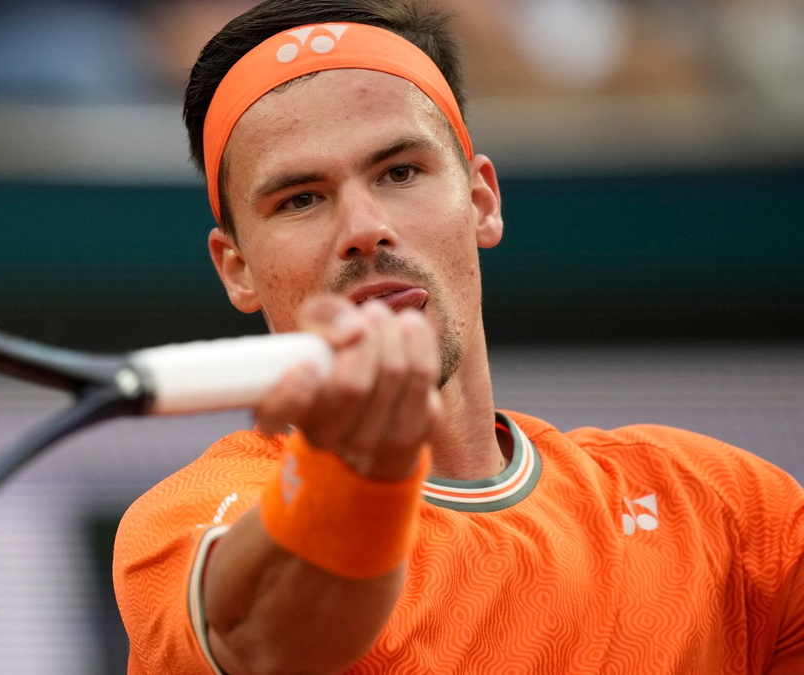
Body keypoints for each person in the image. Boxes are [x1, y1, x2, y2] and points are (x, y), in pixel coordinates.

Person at [112, 0, 804, 673]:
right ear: (237, 269)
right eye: (300, 199)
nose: (363, 227)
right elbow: (266, 641)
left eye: (400, 171)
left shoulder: (732, 513)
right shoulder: (183, 522)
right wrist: (353, 467)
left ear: (481, 200)